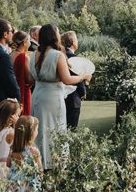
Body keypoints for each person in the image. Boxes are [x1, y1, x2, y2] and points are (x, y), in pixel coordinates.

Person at [29, 24, 91, 168]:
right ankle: (54, 164)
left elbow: (31, 78)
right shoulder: (57, 55)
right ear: (54, 36)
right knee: (54, 130)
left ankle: (38, 163)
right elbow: (67, 79)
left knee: (39, 132)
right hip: (52, 99)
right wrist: (83, 76)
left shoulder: (34, 54)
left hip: (37, 95)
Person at [0, 98, 21, 180]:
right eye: (17, 115)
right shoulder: (10, 133)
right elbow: (22, 141)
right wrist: (17, 125)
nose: (18, 117)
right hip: (4, 167)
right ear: (11, 117)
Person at [8, 115, 43, 192]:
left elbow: (8, 164)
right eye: (37, 129)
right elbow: (40, 171)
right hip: (28, 187)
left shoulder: (13, 149)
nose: (37, 131)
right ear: (31, 132)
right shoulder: (33, 151)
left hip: (14, 186)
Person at [61, 31, 87, 129]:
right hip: (73, 97)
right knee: (71, 127)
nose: (77, 41)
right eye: (76, 39)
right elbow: (78, 77)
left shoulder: (62, 54)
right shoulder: (73, 57)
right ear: (72, 42)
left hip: (62, 96)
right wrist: (83, 92)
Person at [11, 31, 33, 115]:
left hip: (12, 90)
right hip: (23, 92)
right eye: (29, 41)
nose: (30, 43)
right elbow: (29, 79)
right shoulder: (24, 57)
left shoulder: (10, 54)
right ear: (24, 42)